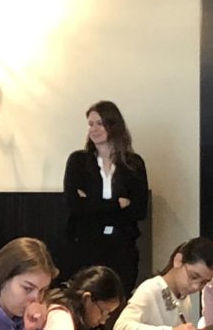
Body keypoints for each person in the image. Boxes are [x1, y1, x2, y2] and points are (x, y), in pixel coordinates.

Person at [62, 101, 149, 292]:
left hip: (122, 247)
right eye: (90, 124)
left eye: (99, 123)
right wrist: (117, 205)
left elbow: (139, 210)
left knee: (118, 299)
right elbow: (75, 207)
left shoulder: (133, 164)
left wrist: (92, 203)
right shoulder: (78, 161)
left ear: (113, 125)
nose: (93, 129)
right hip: (85, 247)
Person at [115, 237, 213, 330]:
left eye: (203, 283)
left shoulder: (184, 298)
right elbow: (120, 328)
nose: (196, 286)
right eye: (193, 276)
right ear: (178, 261)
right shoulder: (150, 289)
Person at [41, 265, 126, 330]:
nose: (103, 321)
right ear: (87, 299)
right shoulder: (59, 313)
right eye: (103, 312)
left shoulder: (88, 322)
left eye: (108, 314)